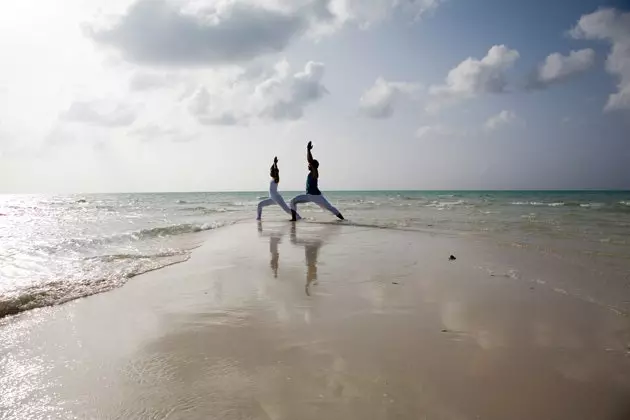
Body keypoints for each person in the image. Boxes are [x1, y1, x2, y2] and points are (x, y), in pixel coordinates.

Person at [290, 141, 344, 221]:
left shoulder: (315, 172)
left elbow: (310, 160)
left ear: (313, 166)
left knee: (330, 208)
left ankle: (343, 220)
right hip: (309, 196)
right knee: (292, 201)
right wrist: (308, 150)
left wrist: (308, 150)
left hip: (316, 196)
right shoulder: (310, 173)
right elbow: (310, 161)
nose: (308, 165)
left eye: (309, 165)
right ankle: (294, 219)